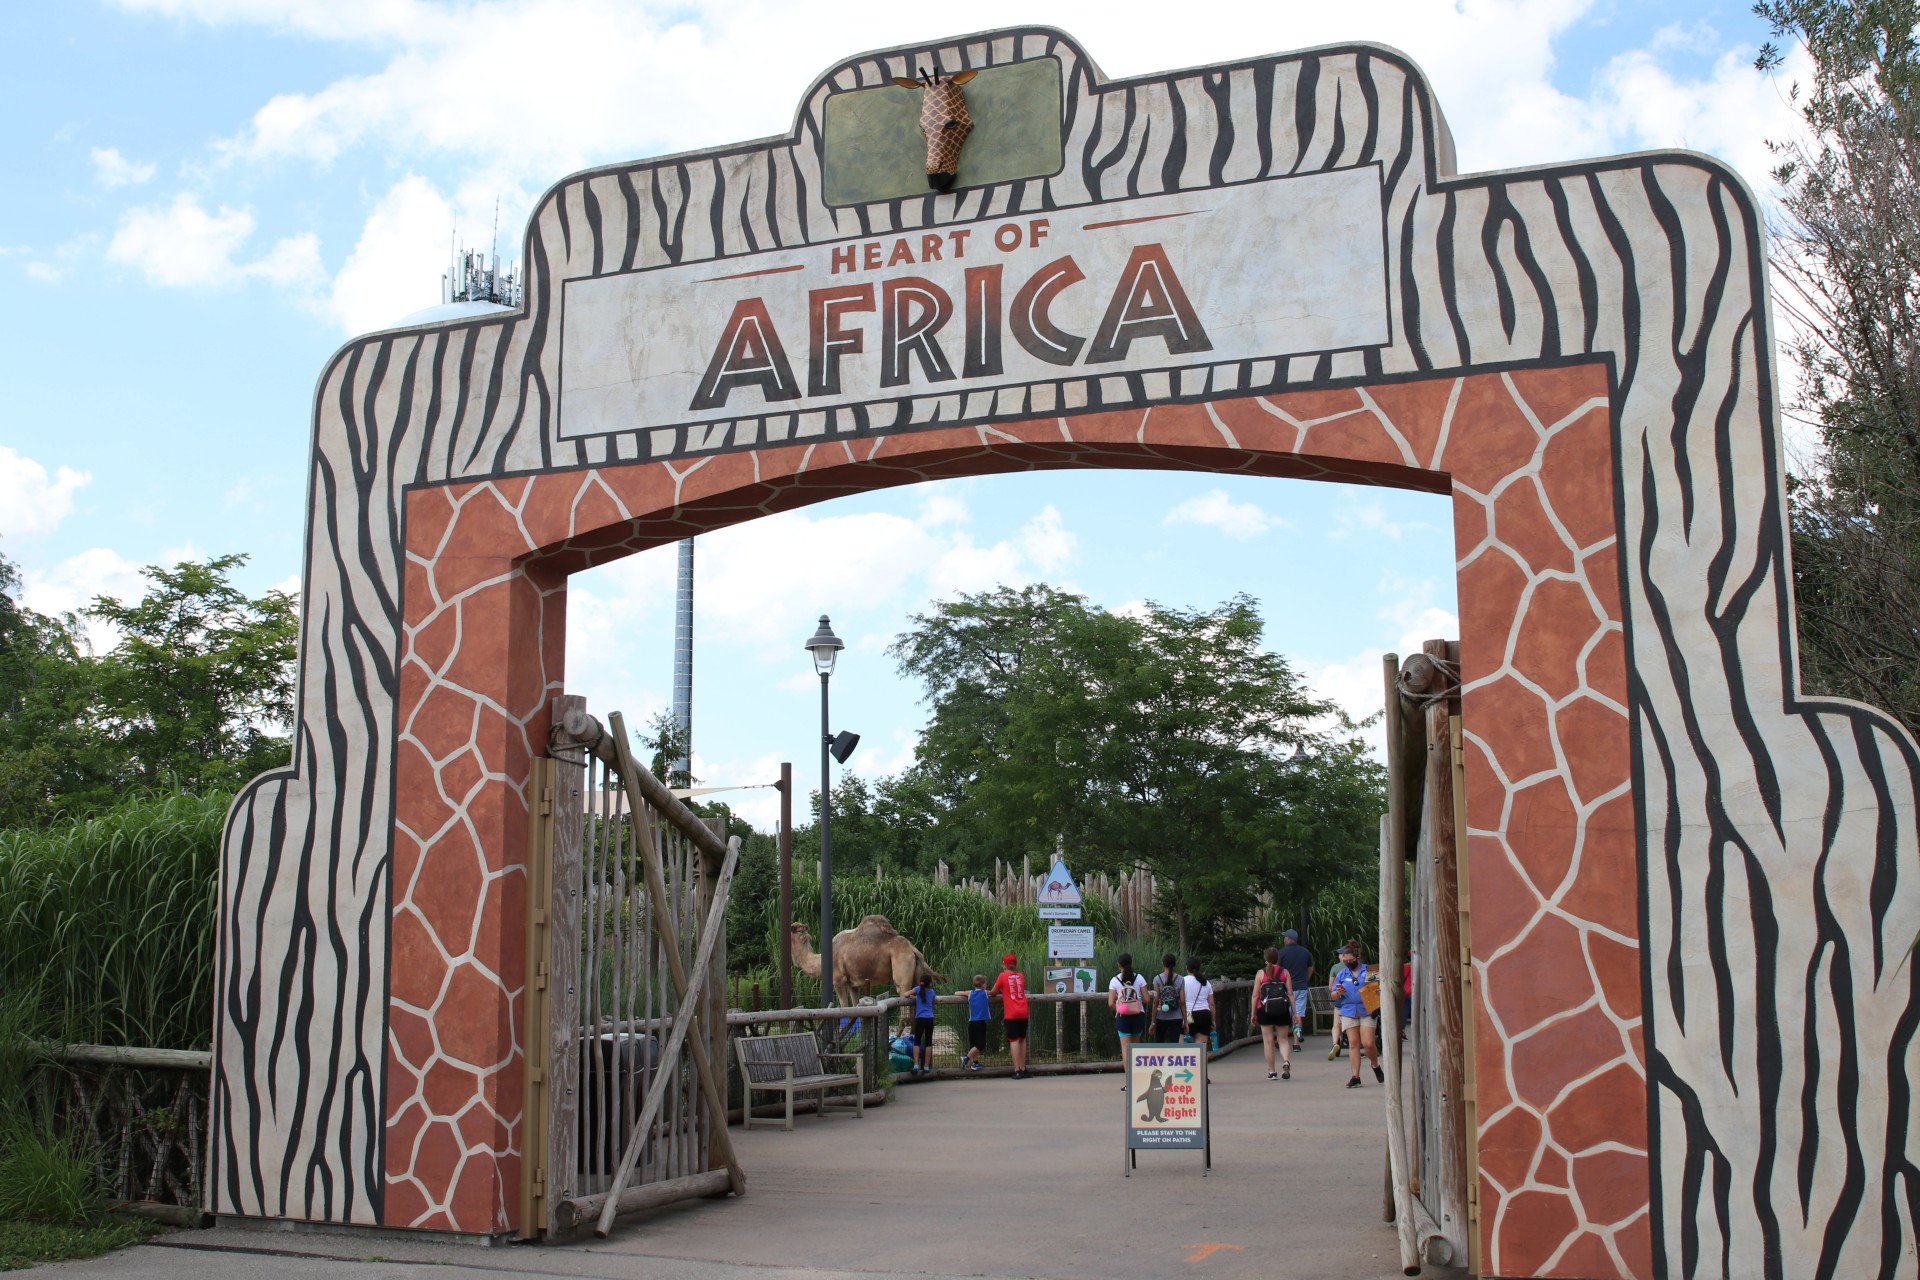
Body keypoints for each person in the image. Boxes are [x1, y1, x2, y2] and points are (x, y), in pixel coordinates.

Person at [1330, 942, 1383, 1088]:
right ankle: (1356, 1076)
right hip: (1348, 1010)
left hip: (1367, 1009)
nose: (1348, 963)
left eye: (1350, 961)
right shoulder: (1342, 974)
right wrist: (1338, 993)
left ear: (1357, 958)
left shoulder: (1369, 971)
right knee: (1353, 1043)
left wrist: (1378, 991)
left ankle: (1375, 1064)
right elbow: (1333, 995)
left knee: (1368, 1043)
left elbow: (1379, 987)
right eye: (1345, 961)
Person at [1253, 945, 1295, 1080]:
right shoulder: (1285, 972)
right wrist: (1295, 1013)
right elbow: (1290, 994)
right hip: (1282, 1010)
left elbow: (1255, 996)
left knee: (1268, 1041)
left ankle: (1272, 1072)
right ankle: (1286, 1060)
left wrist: (1253, 1013)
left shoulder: (1261, 973)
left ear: (1265, 958)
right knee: (1283, 1039)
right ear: (1277, 958)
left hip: (1265, 1010)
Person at [990, 953, 1031, 1078]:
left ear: (1004, 964)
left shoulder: (1002, 976)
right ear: (1015, 965)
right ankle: (1024, 1068)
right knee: (1022, 1039)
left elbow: (993, 992)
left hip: (1011, 1013)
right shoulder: (1021, 976)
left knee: (1014, 1040)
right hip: (1023, 1011)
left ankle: (1017, 1069)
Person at [1276, 928, 1315, 1048]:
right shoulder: (1305, 952)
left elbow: (1277, 969)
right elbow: (1311, 968)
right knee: (1298, 1014)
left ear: (1288, 939)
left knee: (1283, 1014)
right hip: (1301, 986)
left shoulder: (1281, 953)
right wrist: (1306, 979)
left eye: (1285, 937)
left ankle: (1281, 1040)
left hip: (1286, 988)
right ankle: (1296, 1043)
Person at [1109, 953, 1148, 1054]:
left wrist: (1121, 1009)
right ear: (1131, 963)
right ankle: (1135, 1070)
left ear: (1119, 965)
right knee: (1135, 1050)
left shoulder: (1114, 980)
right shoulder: (1140, 978)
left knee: (1126, 1049)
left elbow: (1110, 1003)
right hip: (1138, 1016)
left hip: (1123, 1017)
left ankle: (1127, 1070)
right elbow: (1147, 999)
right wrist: (1136, 1003)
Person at [1150, 952, 1185, 1044]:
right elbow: (1182, 1002)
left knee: (1160, 1043)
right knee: (1174, 1044)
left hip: (1161, 1016)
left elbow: (1156, 1001)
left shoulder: (1157, 979)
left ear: (1163, 963)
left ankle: (1161, 1058)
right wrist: (1185, 1020)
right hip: (1177, 1016)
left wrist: (1153, 1022)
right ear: (1175, 964)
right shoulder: (1181, 979)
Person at [910, 971, 938, 1076]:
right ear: (929, 983)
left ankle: (916, 1065)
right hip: (929, 1018)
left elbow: (906, 994)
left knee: (917, 1041)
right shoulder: (932, 992)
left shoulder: (917, 990)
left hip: (919, 1019)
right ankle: (926, 1066)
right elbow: (933, 1002)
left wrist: (915, 998)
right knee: (928, 1042)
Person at [1182, 959, 1214, 1049]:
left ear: (1187, 968)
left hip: (1189, 1015)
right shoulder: (1206, 983)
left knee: (1183, 1041)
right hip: (1205, 1014)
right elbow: (1211, 1004)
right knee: (1201, 1046)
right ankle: (1202, 1063)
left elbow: (1181, 1001)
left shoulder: (1182, 981)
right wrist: (1213, 1020)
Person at [965, 974, 990, 1070]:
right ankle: (966, 1058)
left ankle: (975, 1063)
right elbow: (993, 993)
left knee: (974, 1044)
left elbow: (956, 993)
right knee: (980, 1044)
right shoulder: (985, 993)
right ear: (983, 985)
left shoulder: (970, 993)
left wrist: (966, 992)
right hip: (980, 1022)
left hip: (972, 1022)